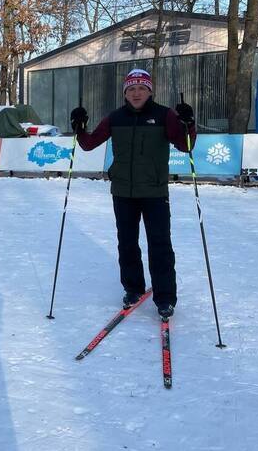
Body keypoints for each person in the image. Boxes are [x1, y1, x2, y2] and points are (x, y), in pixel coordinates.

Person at [70, 69, 196, 319]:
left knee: (160, 245)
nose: (136, 93)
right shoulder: (115, 117)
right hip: (123, 192)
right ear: (125, 93)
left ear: (150, 91)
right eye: (131, 89)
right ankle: (133, 288)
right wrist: (79, 126)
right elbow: (89, 143)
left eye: (141, 88)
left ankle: (165, 298)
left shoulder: (164, 115)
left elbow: (186, 145)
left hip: (154, 192)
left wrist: (188, 123)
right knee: (127, 243)